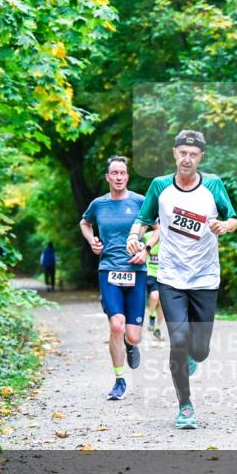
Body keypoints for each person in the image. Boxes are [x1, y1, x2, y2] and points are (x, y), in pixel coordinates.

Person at [126, 130, 237, 429]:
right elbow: (142, 219)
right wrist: (133, 237)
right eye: (183, 153)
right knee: (177, 340)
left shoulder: (213, 184)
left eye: (194, 154)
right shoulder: (159, 185)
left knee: (199, 350)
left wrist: (224, 226)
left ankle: (191, 355)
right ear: (175, 153)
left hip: (204, 278)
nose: (187, 159)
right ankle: (185, 406)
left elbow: (234, 218)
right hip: (171, 276)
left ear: (201, 157)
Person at [79, 155, 148, 401]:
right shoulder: (98, 204)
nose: (119, 177)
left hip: (136, 271)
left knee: (133, 334)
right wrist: (92, 241)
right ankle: (119, 380)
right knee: (116, 325)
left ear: (127, 176)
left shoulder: (141, 202)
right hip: (108, 269)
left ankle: (131, 344)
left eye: (123, 173)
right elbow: (85, 223)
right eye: (114, 173)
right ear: (108, 177)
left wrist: (145, 249)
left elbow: (159, 228)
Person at [144, 227, 164, 340]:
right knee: (154, 296)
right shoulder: (147, 236)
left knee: (162, 303)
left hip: (165, 274)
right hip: (150, 272)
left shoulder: (170, 236)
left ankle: (157, 328)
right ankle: (151, 316)